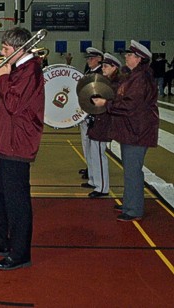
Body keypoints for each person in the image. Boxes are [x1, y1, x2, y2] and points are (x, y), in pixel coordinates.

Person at [0, 27, 45, 271]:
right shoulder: (19, 69)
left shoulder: (30, 69)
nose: (1, 54)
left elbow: (15, 104)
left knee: (17, 202)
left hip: (18, 144)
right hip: (6, 142)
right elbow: (9, 100)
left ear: (17, 49)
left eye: (5, 49)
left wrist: (2, 78)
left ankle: (20, 253)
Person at [92, 40, 159, 221]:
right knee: (130, 170)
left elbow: (130, 105)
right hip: (131, 131)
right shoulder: (134, 76)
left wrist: (106, 104)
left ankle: (134, 210)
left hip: (137, 132)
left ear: (139, 59)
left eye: (129, 55)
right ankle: (130, 203)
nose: (126, 57)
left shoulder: (140, 79)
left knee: (133, 171)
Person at [85, 53, 123, 198]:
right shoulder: (107, 82)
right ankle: (95, 181)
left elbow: (112, 105)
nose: (103, 68)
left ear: (114, 68)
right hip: (98, 121)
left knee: (99, 155)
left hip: (104, 122)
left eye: (106, 66)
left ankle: (102, 187)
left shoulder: (115, 85)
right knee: (94, 153)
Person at [79, 47, 104, 181]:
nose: (89, 61)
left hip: (93, 114)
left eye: (92, 58)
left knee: (93, 147)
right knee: (86, 145)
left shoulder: (100, 74)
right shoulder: (89, 71)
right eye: (88, 58)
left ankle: (94, 172)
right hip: (85, 113)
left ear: (99, 59)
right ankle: (90, 168)